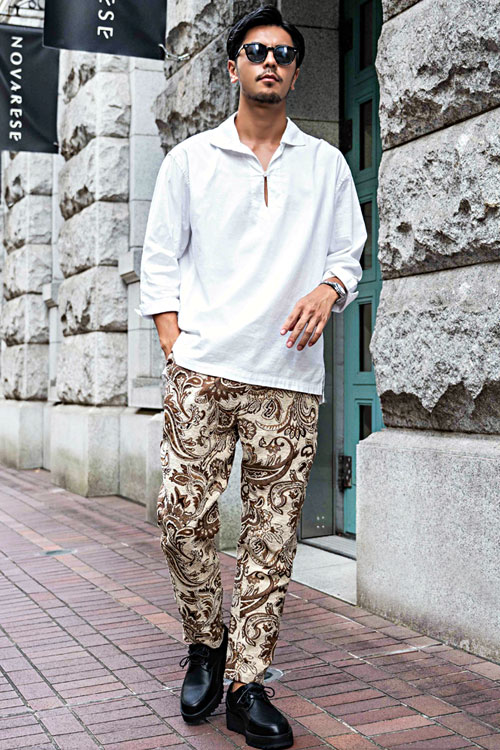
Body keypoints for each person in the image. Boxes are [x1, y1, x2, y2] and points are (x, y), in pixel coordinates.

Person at [138, 5, 366, 748]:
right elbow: (160, 261)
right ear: (233, 64)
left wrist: (328, 289)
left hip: (288, 380)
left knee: (271, 539)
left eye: (284, 53)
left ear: (296, 73)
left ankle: (245, 682)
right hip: (202, 371)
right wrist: (175, 346)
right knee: (181, 520)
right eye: (257, 50)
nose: (270, 61)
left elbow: (348, 253)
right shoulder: (190, 160)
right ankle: (206, 640)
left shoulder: (326, 165)